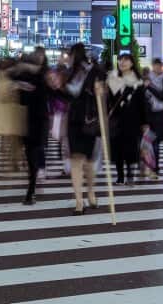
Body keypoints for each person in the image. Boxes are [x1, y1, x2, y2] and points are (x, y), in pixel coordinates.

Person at [62, 43, 103, 214]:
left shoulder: (93, 71)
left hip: (88, 120)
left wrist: (99, 90)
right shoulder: (68, 73)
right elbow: (64, 95)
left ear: (74, 55)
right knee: (78, 161)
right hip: (75, 121)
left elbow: (102, 92)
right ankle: (79, 201)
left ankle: (90, 191)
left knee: (87, 162)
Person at [17, 48, 53, 204]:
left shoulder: (42, 77)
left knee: (33, 153)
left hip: (35, 119)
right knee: (32, 154)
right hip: (33, 119)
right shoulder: (35, 77)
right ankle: (32, 186)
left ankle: (30, 190)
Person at [106, 53, 147, 186]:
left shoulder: (137, 82)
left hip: (132, 120)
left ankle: (130, 174)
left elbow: (143, 103)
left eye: (126, 60)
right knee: (117, 148)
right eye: (120, 60)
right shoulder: (113, 79)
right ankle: (120, 176)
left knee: (130, 148)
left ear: (132, 63)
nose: (122, 62)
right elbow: (109, 101)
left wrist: (145, 122)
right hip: (117, 120)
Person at [144, 58, 163, 178]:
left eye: (159, 66)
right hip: (147, 114)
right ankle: (147, 166)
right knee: (147, 142)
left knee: (155, 143)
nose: (157, 68)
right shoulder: (146, 78)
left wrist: (150, 87)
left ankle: (155, 167)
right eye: (155, 66)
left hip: (159, 113)